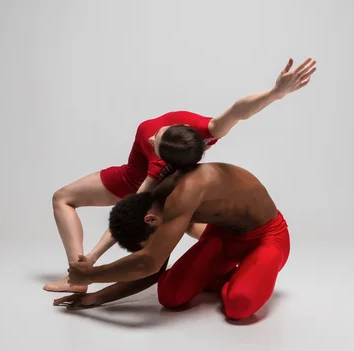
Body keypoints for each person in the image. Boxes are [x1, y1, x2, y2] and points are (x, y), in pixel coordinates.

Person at [44, 57, 316, 293]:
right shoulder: (204, 132)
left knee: (187, 220)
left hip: (139, 186)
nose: (151, 137)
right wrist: (274, 93)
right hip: (129, 176)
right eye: (159, 135)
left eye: (154, 142)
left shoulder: (155, 174)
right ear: (182, 130)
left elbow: (129, 214)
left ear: (163, 159)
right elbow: (238, 111)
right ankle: (230, 254)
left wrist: (90, 261)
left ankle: (242, 254)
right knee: (64, 198)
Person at [55, 160, 290, 322]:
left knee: (238, 307)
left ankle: (245, 276)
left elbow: (149, 263)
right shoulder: (158, 207)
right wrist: (93, 298)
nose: (155, 248)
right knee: (170, 295)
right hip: (223, 236)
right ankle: (237, 276)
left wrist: (89, 275)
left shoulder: (184, 193)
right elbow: (154, 269)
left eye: (149, 243)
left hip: (267, 238)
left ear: (150, 219)